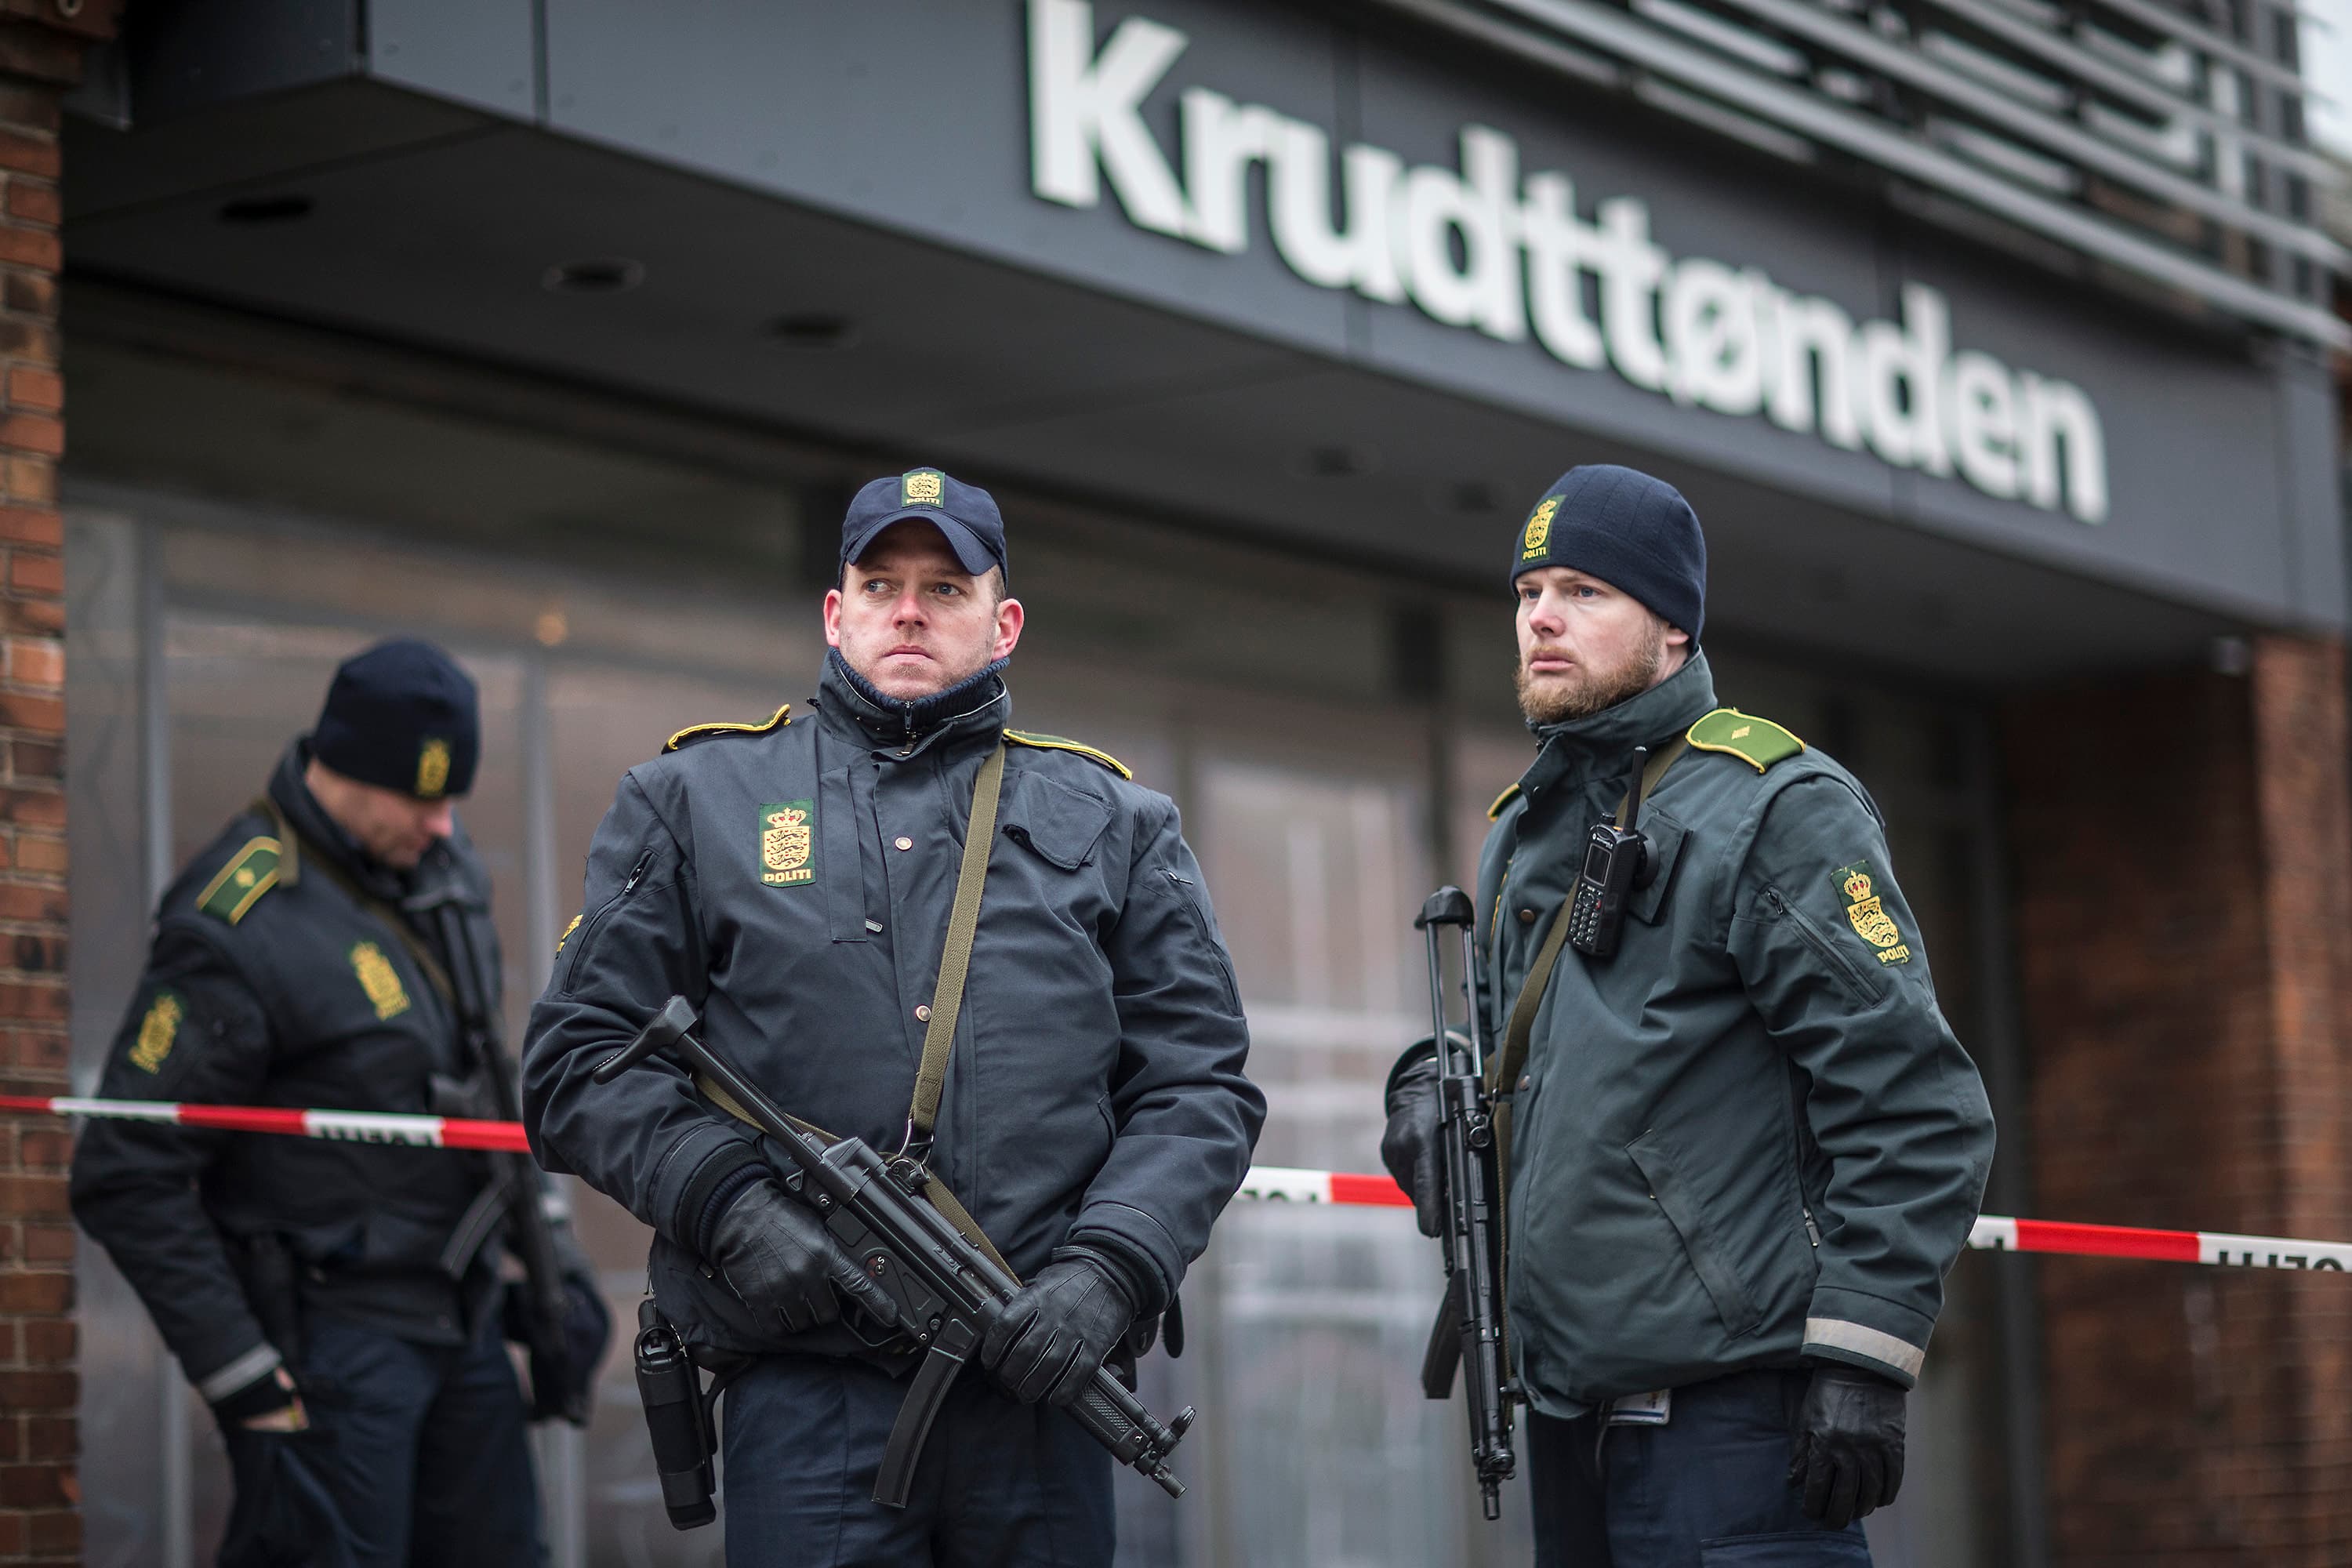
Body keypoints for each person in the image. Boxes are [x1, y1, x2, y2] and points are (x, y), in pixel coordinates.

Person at [522, 466, 1265, 1566]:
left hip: (1038, 1388)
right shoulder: (695, 801)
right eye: (880, 584)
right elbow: (577, 1062)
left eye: (946, 588)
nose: (909, 609)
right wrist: (724, 1199)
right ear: (837, 613)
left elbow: (1200, 1086)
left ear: (1003, 624)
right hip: (811, 1397)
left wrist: (1111, 1268)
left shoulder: (1119, 822)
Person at [1381, 466, 1995, 1565]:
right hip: (1567, 1420)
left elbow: (1919, 1106)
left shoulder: (1772, 809)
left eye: (1584, 590)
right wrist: (1428, 1078)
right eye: (1527, 593)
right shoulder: (1525, 827)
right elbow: (1502, 1040)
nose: (1543, 619)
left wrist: (1865, 1354)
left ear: (1671, 627)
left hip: (1736, 1436)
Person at [71, 638, 607, 1568]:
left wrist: (555, 1265)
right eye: (420, 797)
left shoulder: (441, 874)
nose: (443, 824)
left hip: (464, 1322)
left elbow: (486, 1081)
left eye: (451, 800)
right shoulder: (237, 920)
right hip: (331, 1351)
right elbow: (125, 1167)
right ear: (344, 766)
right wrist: (243, 1375)